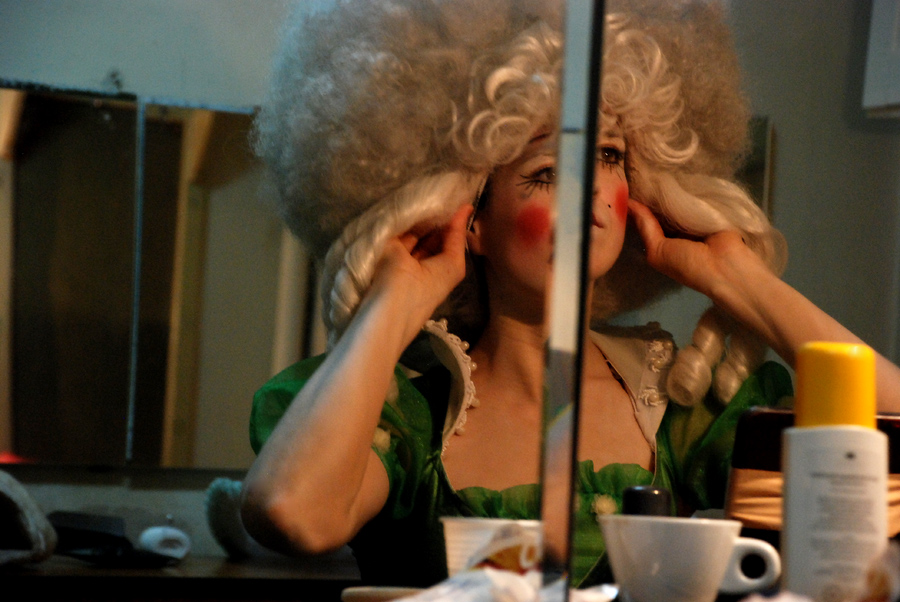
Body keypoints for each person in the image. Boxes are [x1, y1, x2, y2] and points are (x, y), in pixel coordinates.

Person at [240, 0, 900, 589]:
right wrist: (397, 298)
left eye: (609, 157)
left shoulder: (682, 407)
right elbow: (293, 514)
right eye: (548, 172)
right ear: (470, 218)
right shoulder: (409, 417)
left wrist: (736, 277)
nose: (590, 195)